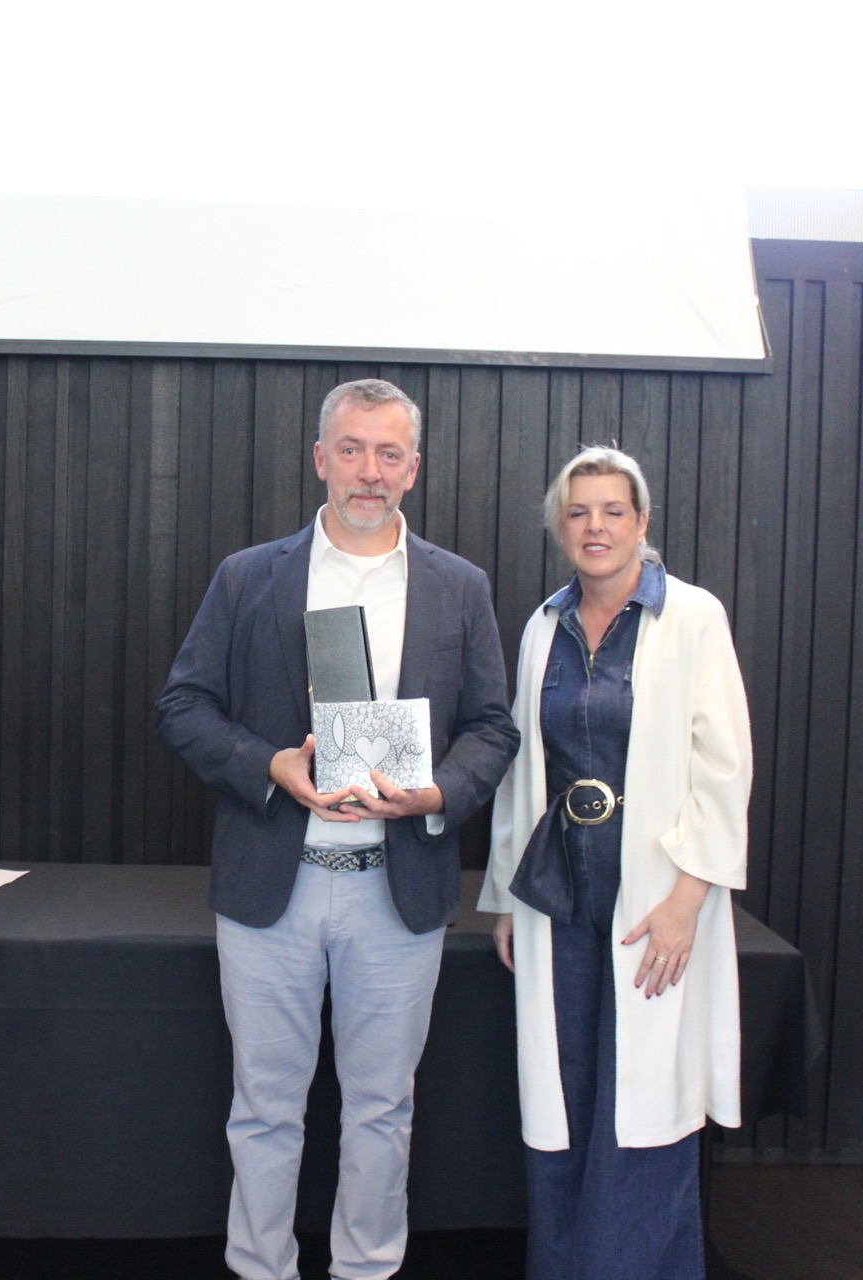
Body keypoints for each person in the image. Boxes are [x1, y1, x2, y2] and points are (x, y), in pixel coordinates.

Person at [155, 378, 519, 1280]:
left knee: (383, 1110)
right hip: (272, 885)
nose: (369, 471)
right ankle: (260, 1268)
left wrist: (436, 794)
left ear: (414, 468)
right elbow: (184, 705)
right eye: (352, 449)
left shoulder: (459, 586)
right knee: (263, 1109)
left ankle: (367, 1269)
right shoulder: (250, 576)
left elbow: (493, 727)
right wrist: (270, 766)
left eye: (389, 453)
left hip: (400, 891)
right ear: (320, 458)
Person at [480, 445, 750, 1279]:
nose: (595, 526)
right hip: (558, 891)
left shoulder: (693, 618)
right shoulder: (543, 625)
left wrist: (687, 900)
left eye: (613, 511)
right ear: (559, 527)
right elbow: (521, 773)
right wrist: (505, 897)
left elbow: (724, 768)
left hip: (656, 897)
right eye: (578, 512)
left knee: (642, 1107)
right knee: (565, 1101)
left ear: (642, 522)